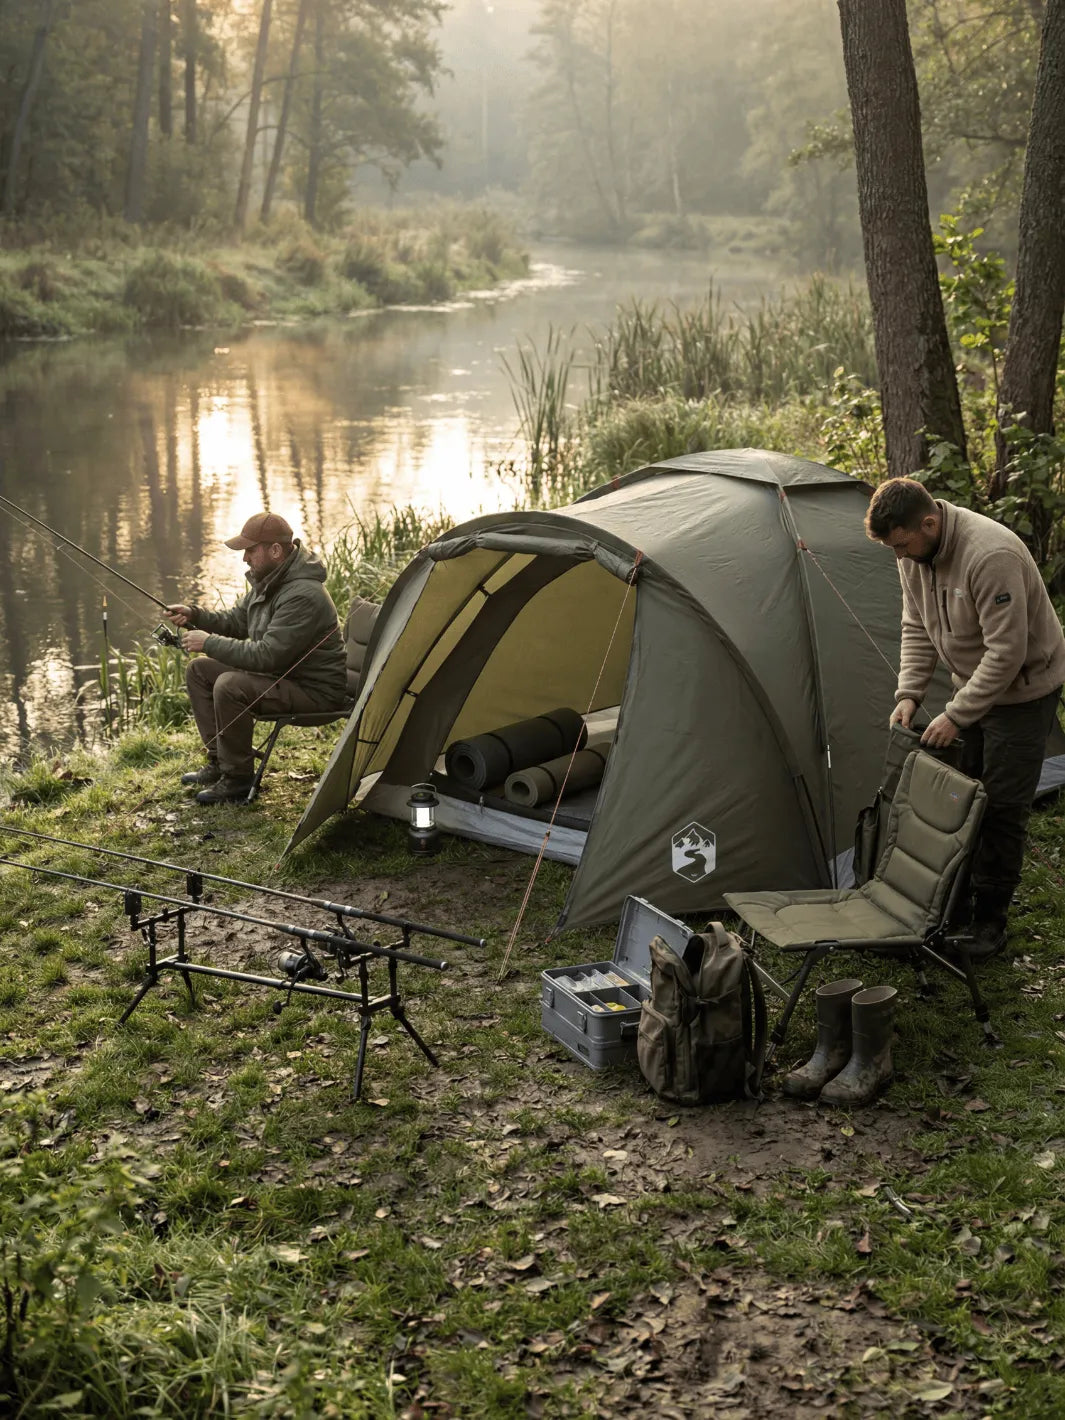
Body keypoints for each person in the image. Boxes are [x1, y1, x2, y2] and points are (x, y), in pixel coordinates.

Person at [865, 477, 1065, 957]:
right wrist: (910, 692)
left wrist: (956, 715)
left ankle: (989, 924)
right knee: (958, 798)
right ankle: (951, 907)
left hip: (1023, 694)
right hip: (974, 689)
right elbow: (916, 624)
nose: (899, 555)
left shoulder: (991, 555)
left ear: (929, 523)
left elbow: (1007, 653)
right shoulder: (914, 556)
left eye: (902, 543)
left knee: (1000, 808)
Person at [165, 512, 348, 804]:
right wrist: (194, 616)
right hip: (285, 677)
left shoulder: (302, 594)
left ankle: (238, 780)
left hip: (315, 692)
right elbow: (236, 622)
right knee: (200, 670)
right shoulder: (271, 581)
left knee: (229, 684)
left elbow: (267, 656)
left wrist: (209, 642)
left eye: (250, 550)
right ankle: (220, 762)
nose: (245, 558)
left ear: (275, 550)